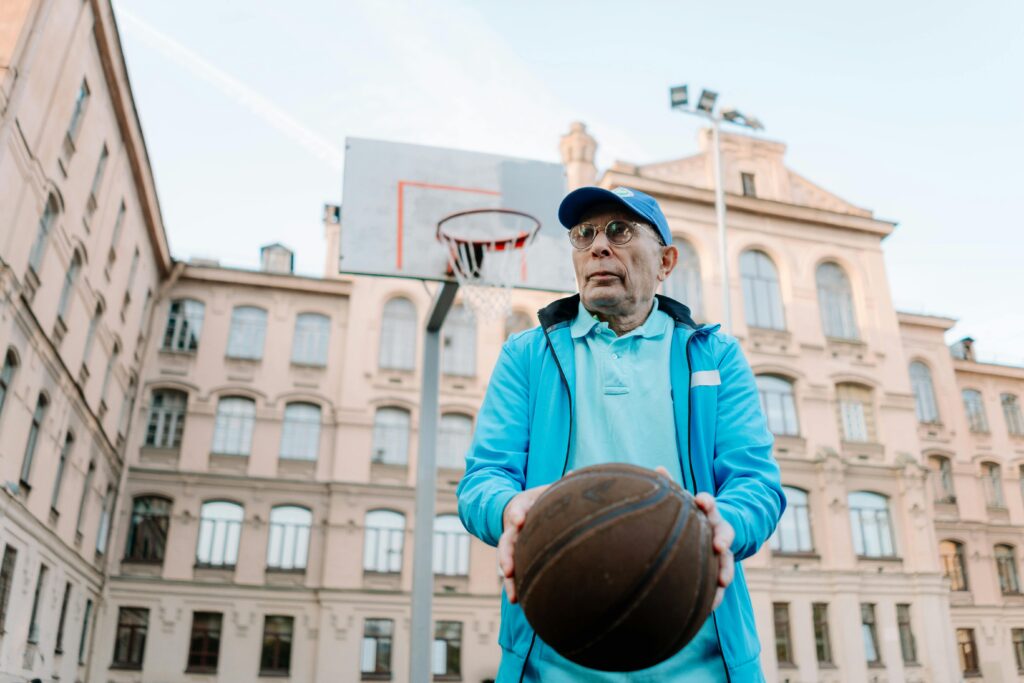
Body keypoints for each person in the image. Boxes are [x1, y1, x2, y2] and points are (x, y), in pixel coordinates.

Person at [457, 186, 785, 682]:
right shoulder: (526, 356)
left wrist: (725, 524)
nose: (598, 246)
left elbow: (757, 485)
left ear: (666, 261)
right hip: (553, 660)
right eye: (583, 234)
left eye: (619, 230)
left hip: (701, 662)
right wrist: (509, 508)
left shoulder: (715, 356)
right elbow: (482, 481)